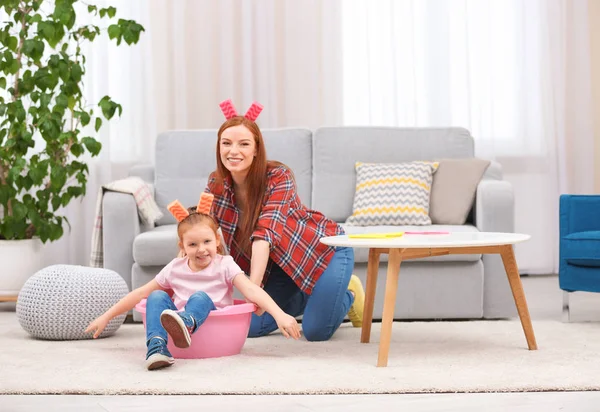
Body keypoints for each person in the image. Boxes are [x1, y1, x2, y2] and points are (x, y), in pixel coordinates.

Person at [204, 99, 365, 342]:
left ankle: (348, 292)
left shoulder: (278, 176)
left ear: (256, 149)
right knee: (249, 327)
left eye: (243, 144)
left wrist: (253, 290)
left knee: (315, 331)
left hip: (323, 251)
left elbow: (264, 235)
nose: (233, 151)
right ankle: (313, 296)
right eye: (226, 143)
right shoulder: (216, 184)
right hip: (281, 269)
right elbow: (208, 234)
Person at [85, 195, 301, 371]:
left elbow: (251, 290)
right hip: (177, 331)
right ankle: (158, 348)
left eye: (207, 241)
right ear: (183, 246)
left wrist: (279, 314)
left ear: (217, 241)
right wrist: (106, 316)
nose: (201, 249)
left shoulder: (225, 264)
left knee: (200, 297)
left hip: (212, 325)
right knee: (155, 296)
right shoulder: (175, 267)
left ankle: (186, 322)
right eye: (193, 244)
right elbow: (139, 293)